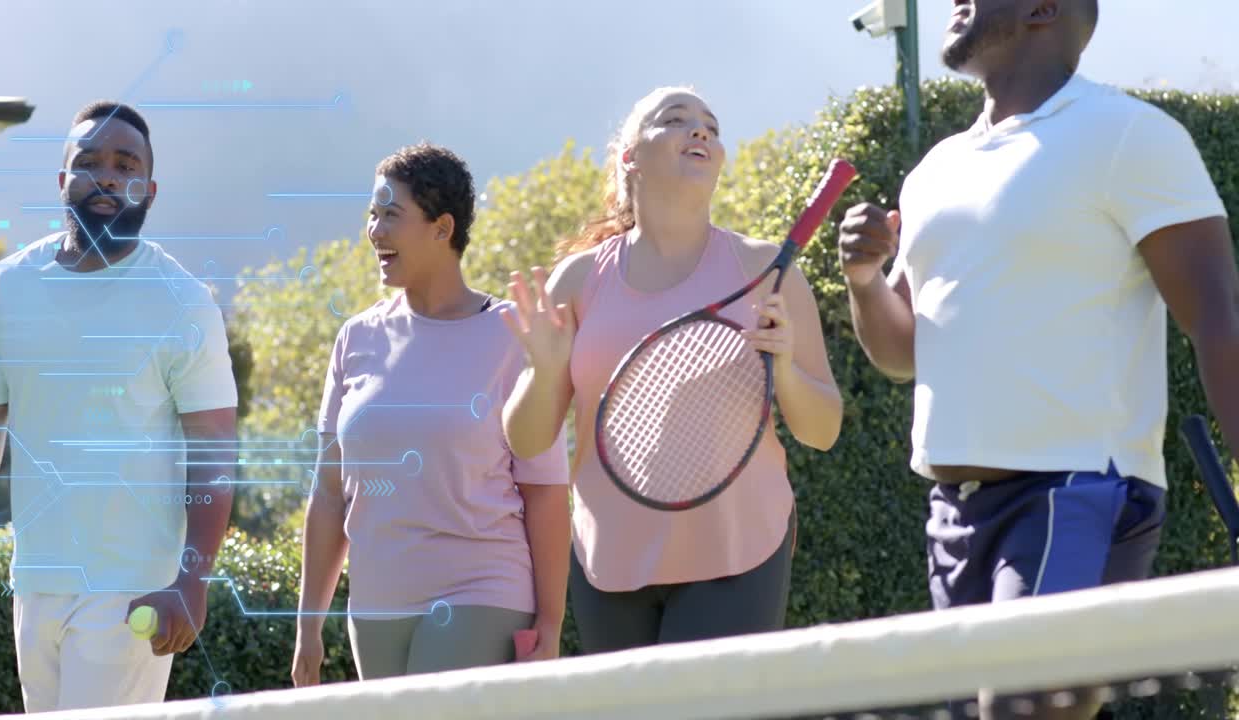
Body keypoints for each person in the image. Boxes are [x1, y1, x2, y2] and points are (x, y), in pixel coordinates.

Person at [837, 1, 1239, 718]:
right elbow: (903, 354)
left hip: (1078, 490)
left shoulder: (1130, 136)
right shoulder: (936, 168)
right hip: (952, 514)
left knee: (1024, 709)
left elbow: (1218, 318)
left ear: (1043, 9)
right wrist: (866, 281)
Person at [500, 87, 842, 652]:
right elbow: (527, 438)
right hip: (608, 561)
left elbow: (823, 430)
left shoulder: (764, 269)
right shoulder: (578, 281)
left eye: (711, 124)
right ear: (630, 156)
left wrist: (783, 367)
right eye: (676, 120)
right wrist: (543, 371)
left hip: (739, 553)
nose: (701, 131)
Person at [0, 100, 238, 712]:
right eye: (88, 163)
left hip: (132, 592)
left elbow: (214, 449)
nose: (107, 175)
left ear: (150, 188)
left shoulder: (181, 300)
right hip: (34, 582)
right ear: (62, 181)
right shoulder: (9, 286)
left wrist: (192, 581)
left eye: (125, 163)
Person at [291, 144, 570, 685]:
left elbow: (545, 489)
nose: (375, 231)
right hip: (375, 606)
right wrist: (308, 625)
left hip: (482, 589)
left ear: (443, 229)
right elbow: (329, 492)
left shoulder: (511, 334)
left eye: (391, 215)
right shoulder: (356, 338)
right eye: (372, 215)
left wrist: (552, 621)